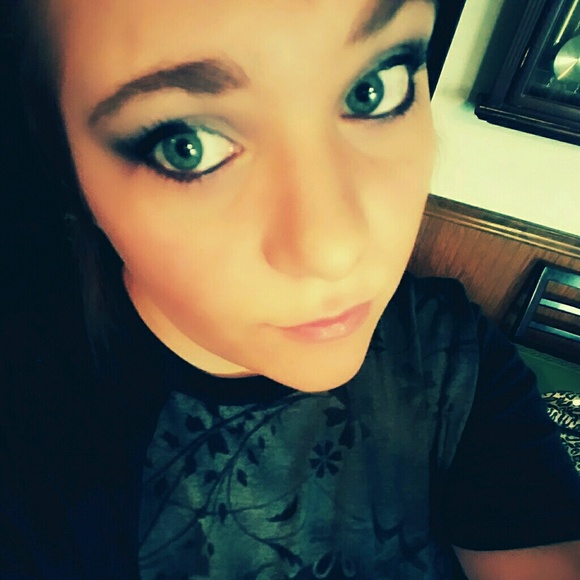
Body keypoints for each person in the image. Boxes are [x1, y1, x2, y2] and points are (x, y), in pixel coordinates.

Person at [0, 0, 579, 578]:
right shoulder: (34, 444)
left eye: (373, 90)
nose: (334, 250)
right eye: (187, 145)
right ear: (65, 169)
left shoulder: (450, 354)